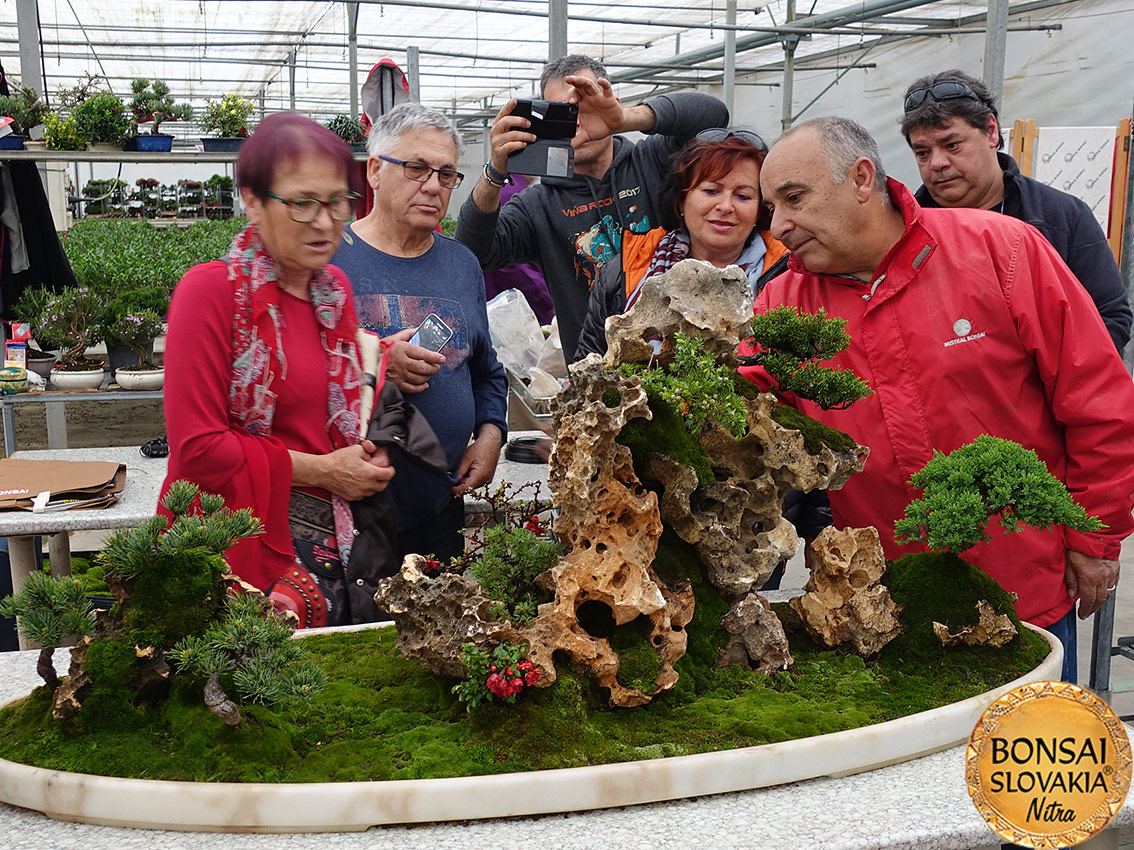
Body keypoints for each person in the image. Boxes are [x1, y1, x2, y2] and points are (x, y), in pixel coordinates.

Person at [744, 116, 1134, 683]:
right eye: (771, 208)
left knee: (1033, 760)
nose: (779, 225)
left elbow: (1096, 399)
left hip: (1021, 583)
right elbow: (737, 412)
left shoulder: (1001, 250)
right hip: (885, 600)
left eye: (793, 199)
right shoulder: (783, 304)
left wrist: (1096, 537)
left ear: (859, 178)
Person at [161, 112, 395, 629]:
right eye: (302, 202)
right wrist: (324, 470)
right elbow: (197, 449)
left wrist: (365, 446)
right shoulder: (211, 293)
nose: (324, 220)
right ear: (251, 200)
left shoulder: (333, 294)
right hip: (230, 549)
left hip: (331, 554)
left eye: (336, 201)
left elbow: (331, 419)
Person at [455, 54, 729, 362]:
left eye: (584, 106)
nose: (575, 123)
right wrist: (495, 171)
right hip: (598, 383)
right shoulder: (539, 204)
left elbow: (714, 116)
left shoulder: (654, 161)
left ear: (609, 99)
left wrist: (625, 119)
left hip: (682, 360)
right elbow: (472, 252)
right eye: (562, 114)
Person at [333, 103, 508, 565]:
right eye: (416, 169)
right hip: (346, 512)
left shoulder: (460, 264)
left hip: (438, 508)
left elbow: (487, 369)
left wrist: (491, 434)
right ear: (374, 170)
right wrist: (374, 361)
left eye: (446, 174)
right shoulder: (330, 260)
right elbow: (292, 370)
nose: (433, 185)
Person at [900, 69, 1132, 352]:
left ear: (991, 131)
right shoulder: (903, 233)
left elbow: (1110, 318)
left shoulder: (1059, 216)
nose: (937, 163)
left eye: (952, 145)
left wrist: (1034, 378)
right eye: (922, 153)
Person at [575, 129, 788, 360]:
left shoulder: (786, 272)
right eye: (711, 191)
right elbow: (589, 360)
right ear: (682, 200)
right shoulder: (624, 271)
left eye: (743, 196)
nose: (726, 206)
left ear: (760, 210)